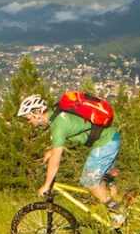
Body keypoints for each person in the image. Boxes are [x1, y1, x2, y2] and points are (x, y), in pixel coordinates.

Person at [17, 93, 124, 224]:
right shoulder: (57, 113)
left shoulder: (58, 125)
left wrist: (46, 185)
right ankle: (123, 212)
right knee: (103, 181)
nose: (29, 122)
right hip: (111, 137)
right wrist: (52, 149)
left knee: (89, 181)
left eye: (28, 118)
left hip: (106, 143)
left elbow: (55, 161)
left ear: (37, 112)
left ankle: (119, 213)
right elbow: (70, 127)